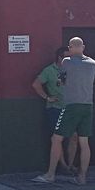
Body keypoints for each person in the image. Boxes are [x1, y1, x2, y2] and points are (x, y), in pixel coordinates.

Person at [33, 37, 95, 185]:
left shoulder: (66, 61)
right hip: (88, 105)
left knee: (56, 139)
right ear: (83, 47)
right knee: (84, 141)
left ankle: (50, 175)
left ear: (70, 48)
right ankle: (82, 177)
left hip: (71, 105)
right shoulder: (93, 63)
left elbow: (62, 80)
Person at [32, 46, 77, 174]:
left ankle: (70, 164)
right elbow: (36, 84)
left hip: (71, 107)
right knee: (58, 138)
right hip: (56, 108)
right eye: (67, 57)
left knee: (74, 136)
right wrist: (47, 97)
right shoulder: (49, 71)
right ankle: (62, 165)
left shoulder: (73, 69)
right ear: (60, 58)